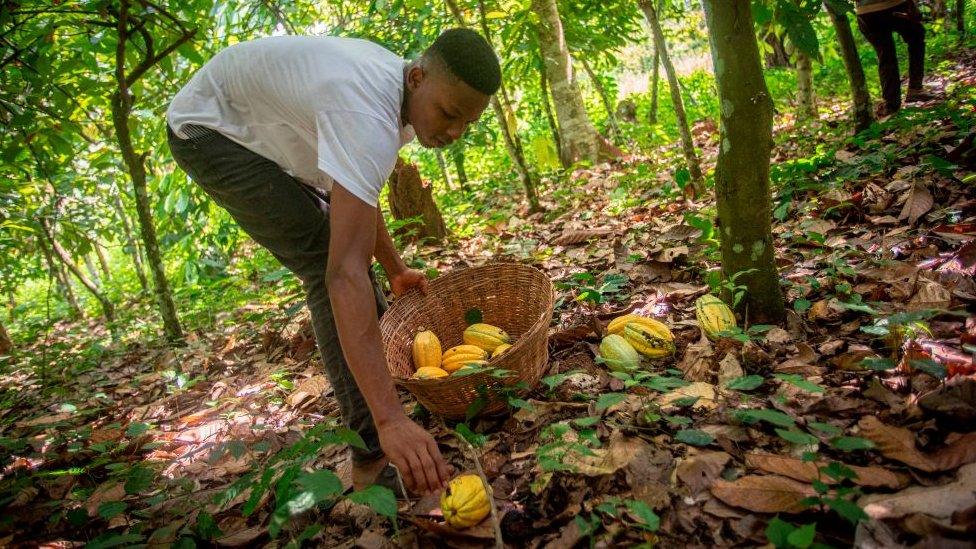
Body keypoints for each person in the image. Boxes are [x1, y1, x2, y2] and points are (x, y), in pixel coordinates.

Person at [166, 29, 501, 496]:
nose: (453, 132)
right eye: (448, 113)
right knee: (331, 268)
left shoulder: (394, 91)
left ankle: (385, 401)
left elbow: (358, 193)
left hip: (264, 130)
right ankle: (371, 455)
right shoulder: (366, 111)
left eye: (467, 122)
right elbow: (341, 275)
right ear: (418, 77)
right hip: (209, 131)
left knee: (349, 257)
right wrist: (390, 421)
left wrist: (395, 267)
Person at [855, 0, 936, 116]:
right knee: (916, 35)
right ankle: (915, 88)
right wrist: (911, 5)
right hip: (893, 5)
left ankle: (891, 104)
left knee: (885, 55)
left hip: (866, 13)